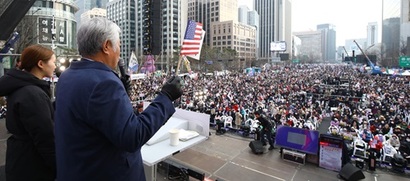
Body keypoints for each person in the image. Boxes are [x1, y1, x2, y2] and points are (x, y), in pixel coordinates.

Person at [54, 17, 183, 181]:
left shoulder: (67, 75)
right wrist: (166, 97)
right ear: (107, 46)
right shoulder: (104, 83)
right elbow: (132, 136)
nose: (120, 52)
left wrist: (121, 97)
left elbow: (95, 120)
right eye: (119, 45)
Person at [0, 44, 57, 180]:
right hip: (32, 166)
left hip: (20, 160)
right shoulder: (32, 94)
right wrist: (58, 166)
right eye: (53, 62)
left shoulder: (21, 86)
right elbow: (45, 138)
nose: (55, 66)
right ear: (40, 64)